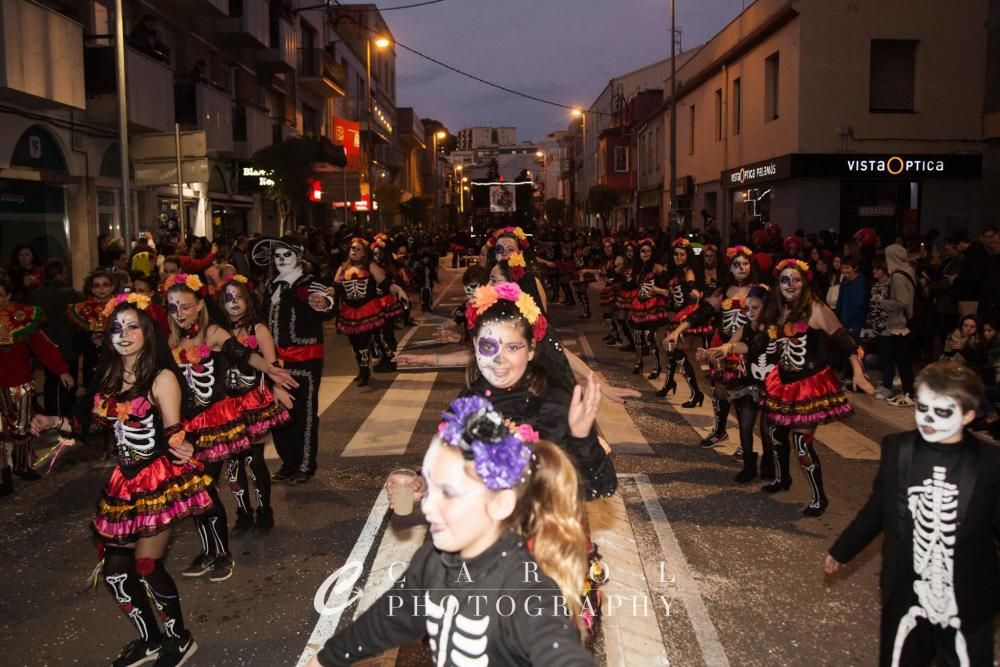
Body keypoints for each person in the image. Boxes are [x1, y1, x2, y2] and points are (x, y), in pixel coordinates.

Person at [307, 396, 596, 667]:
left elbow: (559, 651)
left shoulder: (525, 591)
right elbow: (393, 616)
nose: (429, 506)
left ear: (500, 504)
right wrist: (324, 660)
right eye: (430, 488)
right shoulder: (433, 559)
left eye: (448, 492)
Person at [31, 293, 213, 666]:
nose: (124, 334)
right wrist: (54, 421)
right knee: (116, 572)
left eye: (132, 326)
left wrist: (183, 445)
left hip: (157, 480)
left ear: (147, 332)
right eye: (116, 327)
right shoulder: (110, 377)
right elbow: (87, 424)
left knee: (146, 567)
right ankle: (150, 640)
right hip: (123, 483)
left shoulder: (162, 377)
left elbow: (176, 428)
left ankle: (180, 639)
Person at [825, 361, 1000, 667]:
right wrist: (843, 548)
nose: (929, 419)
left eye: (943, 411)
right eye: (923, 407)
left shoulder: (991, 465)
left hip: (969, 599)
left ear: (969, 415)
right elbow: (879, 506)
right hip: (907, 593)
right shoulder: (898, 449)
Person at [163, 272, 297, 581]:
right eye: (173, 308)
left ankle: (223, 552)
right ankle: (209, 549)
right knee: (194, 488)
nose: (180, 314)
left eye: (185, 306)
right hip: (186, 426)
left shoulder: (213, 333)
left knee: (208, 485)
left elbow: (243, 353)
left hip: (217, 421)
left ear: (199, 305)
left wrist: (272, 373)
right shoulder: (170, 341)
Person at [761, 259, 875, 516]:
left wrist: (858, 371)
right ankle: (782, 478)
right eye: (785, 280)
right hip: (783, 381)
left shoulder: (815, 308)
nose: (790, 285)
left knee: (802, 443)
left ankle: (818, 498)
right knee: (776, 433)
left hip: (809, 383)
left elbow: (843, 340)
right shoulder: (778, 308)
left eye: (796, 280)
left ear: (805, 282)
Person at [253, 236, 334, 482]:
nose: (281, 260)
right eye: (277, 256)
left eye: (286, 255)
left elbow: (328, 301)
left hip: (304, 361)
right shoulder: (270, 285)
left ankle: (306, 464)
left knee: (304, 412)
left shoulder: (308, 283)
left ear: (298, 256)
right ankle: (288, 462)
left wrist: (325, 302)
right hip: (274, 360)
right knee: (278, 413)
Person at [218, 275, 292, 537]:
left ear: (248, 300)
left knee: (253, 462)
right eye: (228, 298)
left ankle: (264, 511)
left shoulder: (258, 330)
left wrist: (279, 390)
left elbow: (273, 365)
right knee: (233, 466)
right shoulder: (218, 331)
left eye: (238, 297)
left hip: (253, 404)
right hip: (226, 407)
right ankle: (242, 513)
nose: (234, 302)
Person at [0, 273, 73, 495]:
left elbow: (43, 345)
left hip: (19, 384)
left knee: (21, 428)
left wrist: (61, 370)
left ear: (8, 295)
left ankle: (22, 465)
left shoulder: (23, 316)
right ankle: (3, 475)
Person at [702, 284, 777, 481]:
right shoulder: (744, 328)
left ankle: (769, 464)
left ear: (766, 307)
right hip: (749, 382)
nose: (750, 312)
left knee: (766, 429)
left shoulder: (775, 330)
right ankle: (749, 467)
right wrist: (715, 351)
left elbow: (750, 347)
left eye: (755, 308)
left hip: (771, 385)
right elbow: (732, 344)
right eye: (748, 308)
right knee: (745, 425)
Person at [30, 259, 84, 416]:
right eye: (65, 272)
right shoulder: (71, 295)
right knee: (68, 383)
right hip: (68, 345)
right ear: (59, 274)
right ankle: (68, 417)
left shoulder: (36, 295)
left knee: (50, 382)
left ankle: (51, 414)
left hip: (45, 345)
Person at [881, 244, 917, 407]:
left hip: (899, 322)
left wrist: (884, 303)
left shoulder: (897, 276)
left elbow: (902, 301)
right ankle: (907, 391)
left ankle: (908, 393)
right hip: (904, 321)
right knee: (904, 361)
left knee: (903, 361)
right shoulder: (908, 270)